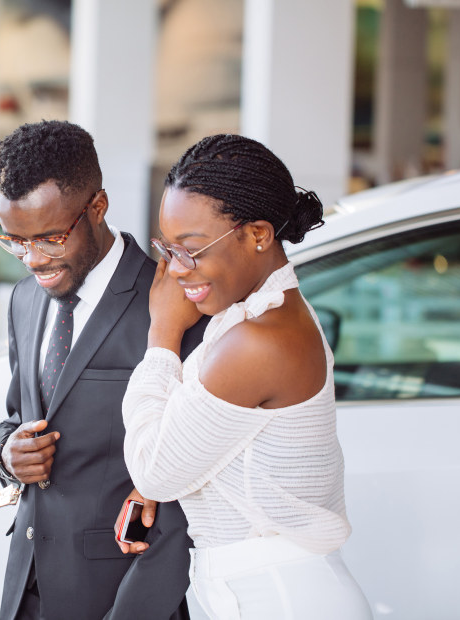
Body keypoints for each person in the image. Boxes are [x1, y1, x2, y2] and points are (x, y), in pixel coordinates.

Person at [121, 134, 372, 619]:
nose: (174, 271)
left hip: (281, 598)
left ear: (258, 235)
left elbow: (154, 471)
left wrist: (163, 334)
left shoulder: (258, 341)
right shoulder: (257, 318)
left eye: (190, 250)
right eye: (166, 249)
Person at [0, 120, 209, 620]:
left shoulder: (174, 300)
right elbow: (12, 418)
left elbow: (191, 483)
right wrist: (8, 453)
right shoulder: (24, 300)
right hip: (26, 591)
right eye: (13, 240)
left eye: (49, 238)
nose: (31, 259)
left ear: (97, 208)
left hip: (123, 596)